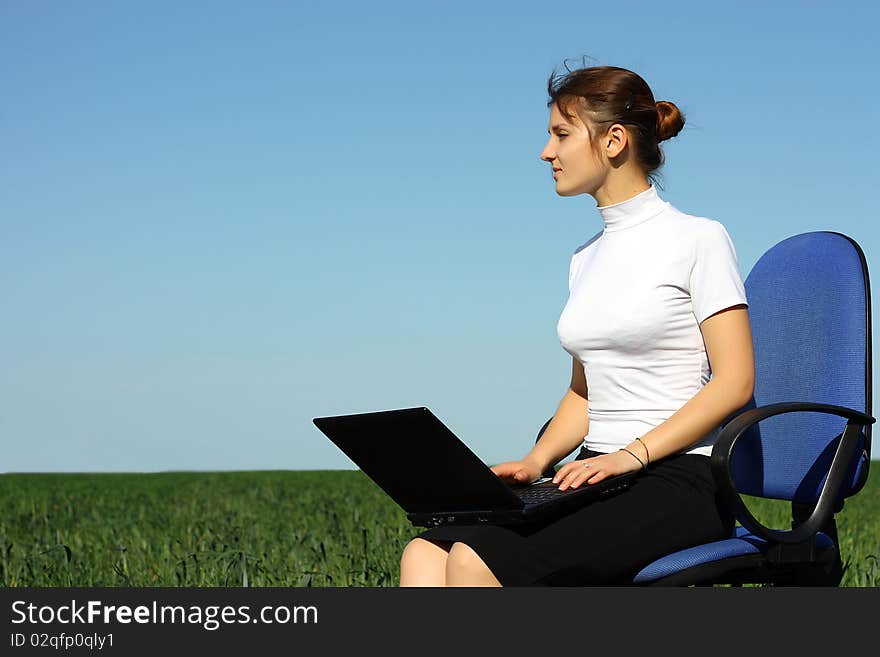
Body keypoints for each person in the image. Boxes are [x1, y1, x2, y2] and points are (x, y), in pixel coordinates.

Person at [398, 64, 755, 586]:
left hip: (678, 478)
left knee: (477, 561)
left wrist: (629, 456)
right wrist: (536, 460)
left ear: (613, 141)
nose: (547, 151)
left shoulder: (698, 239)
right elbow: (585, 393)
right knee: (425, 554)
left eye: (561, 134)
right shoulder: (584, 258)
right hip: (591, 474)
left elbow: (735, 381)